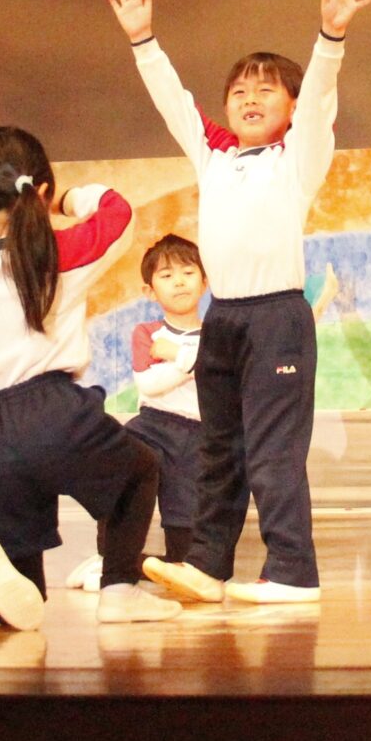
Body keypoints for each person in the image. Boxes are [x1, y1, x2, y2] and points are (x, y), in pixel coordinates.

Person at [109, 0, 371, 605]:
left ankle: (293, 571)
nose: (249, 97)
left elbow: (319, 101)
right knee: (219, 451)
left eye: (266, 89)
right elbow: (175, 104)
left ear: (290, 108)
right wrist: (143, 40)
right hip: (223, 321)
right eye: (238, 91)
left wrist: (330, 37)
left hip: (277, 318)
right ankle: (207, 565)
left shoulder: (298, 159)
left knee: (273, 453)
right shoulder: (214, 158)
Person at [0, 125, 172, 629]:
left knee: (21, 597)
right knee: (139, 472)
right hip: (52, 413)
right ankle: (119, 591)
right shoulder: (56, 255)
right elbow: (118, 214)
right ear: (38, 193)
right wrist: (68, 200)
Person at [65, 233, 213, 591]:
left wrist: (178, 355)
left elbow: (226, 375)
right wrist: (198, 361)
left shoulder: (216, 334)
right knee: (122, 474)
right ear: (150, 290)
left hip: (200, 438)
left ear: (205, 281)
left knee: (184, 552)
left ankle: (136, 566)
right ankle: (107, 560)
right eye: (167, 275)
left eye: (188, 273)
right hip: (153, 426)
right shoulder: (148, 332)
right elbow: (150, 383)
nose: (179, 282)